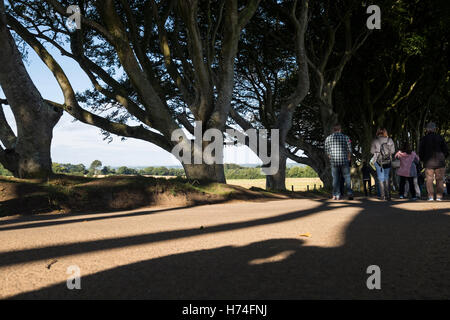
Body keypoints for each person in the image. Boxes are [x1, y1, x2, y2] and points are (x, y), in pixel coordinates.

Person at [419, 122, 449, 201]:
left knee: (429, 180)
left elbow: (421, 151)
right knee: (440, 180)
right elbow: (446, 150)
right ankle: (439, 196)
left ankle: (431, 196)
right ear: (434, 129)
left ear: (427, 129)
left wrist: (423, 160)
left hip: (428, 163)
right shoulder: (440, 137)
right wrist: (443, 158)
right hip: (440, 162)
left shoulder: (424, 139)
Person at [325, 124, 353, 200]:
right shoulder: (346, 137)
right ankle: (349, 193)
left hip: (334, 161)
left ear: (333, 130)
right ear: (340, 129)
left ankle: (336, 195)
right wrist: (349, 158)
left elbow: (327, 151)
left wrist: (330, 158)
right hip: (344, 160)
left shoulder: (328, 138)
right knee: (347, 177)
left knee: (335, 179)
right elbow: (349, 150)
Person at [370, 128, 395, 200]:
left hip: (378, 161)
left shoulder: (375, 140)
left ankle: (383, 196)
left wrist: (377, 151)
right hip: (388, 161)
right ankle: (388, 196)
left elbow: (372, 151)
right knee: (386, 177)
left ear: (377, 132)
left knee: (381, 178)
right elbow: (393, 151)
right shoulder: (390, 140)